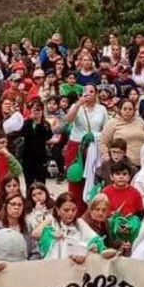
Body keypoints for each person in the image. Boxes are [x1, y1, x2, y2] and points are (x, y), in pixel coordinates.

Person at [64, 84, 108, 215]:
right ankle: (73, 211)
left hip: (94, 146)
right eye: (86, 91)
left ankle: (89, 212)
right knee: (75, 178)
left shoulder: (102, 109)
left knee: (91, 180)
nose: (89, 94)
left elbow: (105, 130)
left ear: (96, 94)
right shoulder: (77, 107)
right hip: (77, 145)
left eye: (92, 91)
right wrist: (78, 104)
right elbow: (68, 120)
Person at [31, 192, 88, 260]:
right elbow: (35, 234)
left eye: (73, 210)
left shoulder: (79, 223)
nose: (70, 213)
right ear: (58, 210)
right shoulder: (51, 220)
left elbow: (92, 239)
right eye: (66, 210)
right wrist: (51, 234)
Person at [99, 98, 144, 166]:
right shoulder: (112, 123)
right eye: (125, 109)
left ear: (134, 110)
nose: (127, 111)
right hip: (122, 164)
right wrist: (106, 155)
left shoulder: (140, 121)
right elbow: (103, 142)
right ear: (120, 110)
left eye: (130, 109)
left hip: (142, 162)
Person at [0, 192, 38, 260]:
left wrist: (28, 264)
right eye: (13, 204)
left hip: (25, 265)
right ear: (5, 206)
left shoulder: (27, 226)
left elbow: (35, 252)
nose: (16, 207)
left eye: (20, 205)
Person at [19, 99, 53, 186]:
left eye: (38, 109)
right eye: (34, 109)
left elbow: (48, 136)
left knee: (41, 183)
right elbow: (24, 134)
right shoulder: (27, 123)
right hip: (27, 157)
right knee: (29, 183)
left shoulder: (45, 124)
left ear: (42, 110)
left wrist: (39, 123)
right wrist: (31, 120)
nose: (36, 111)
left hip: (41, 157)